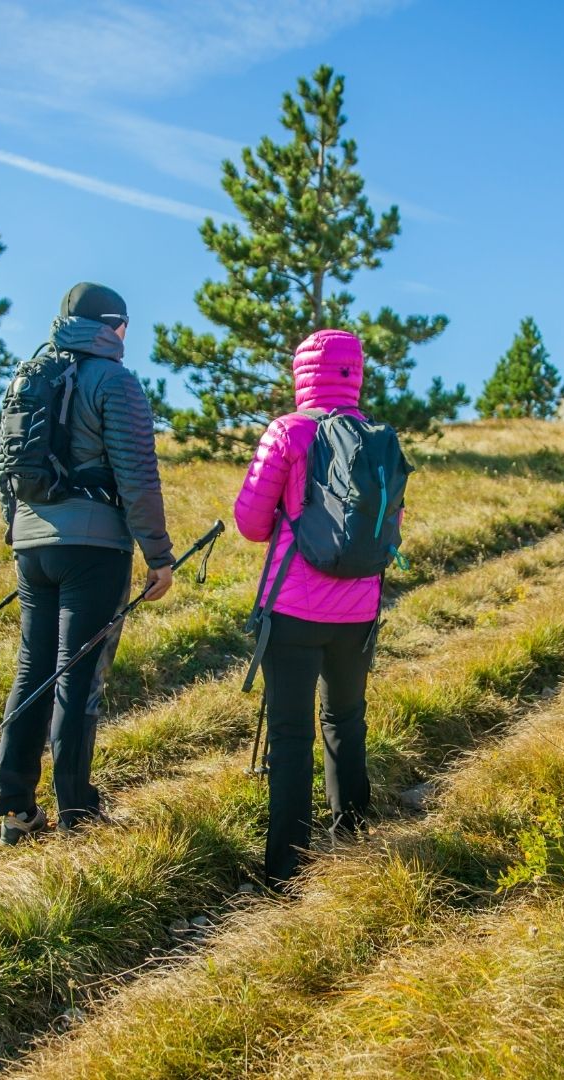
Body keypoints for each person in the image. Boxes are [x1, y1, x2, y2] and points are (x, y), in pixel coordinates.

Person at [0, 282, 174, 842]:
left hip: (31, 543)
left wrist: (18, 529)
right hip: (94, 548)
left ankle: (15, 809)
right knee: (78, 675)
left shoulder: (29, 376)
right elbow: (136, 473)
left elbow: (6, 467)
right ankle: (77, 812)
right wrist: (158, 554)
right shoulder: (114, 381)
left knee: (33, 669)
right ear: (114, 325)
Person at [233, 329, 388, 886]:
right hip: (359, 610)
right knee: (346, 720)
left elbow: (251, 523)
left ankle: (286, 869)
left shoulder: (288, 432)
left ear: (303, 373)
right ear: (356, 372)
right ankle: (352, 837)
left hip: (293, 610)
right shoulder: (377, 437)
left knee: (292, 733)